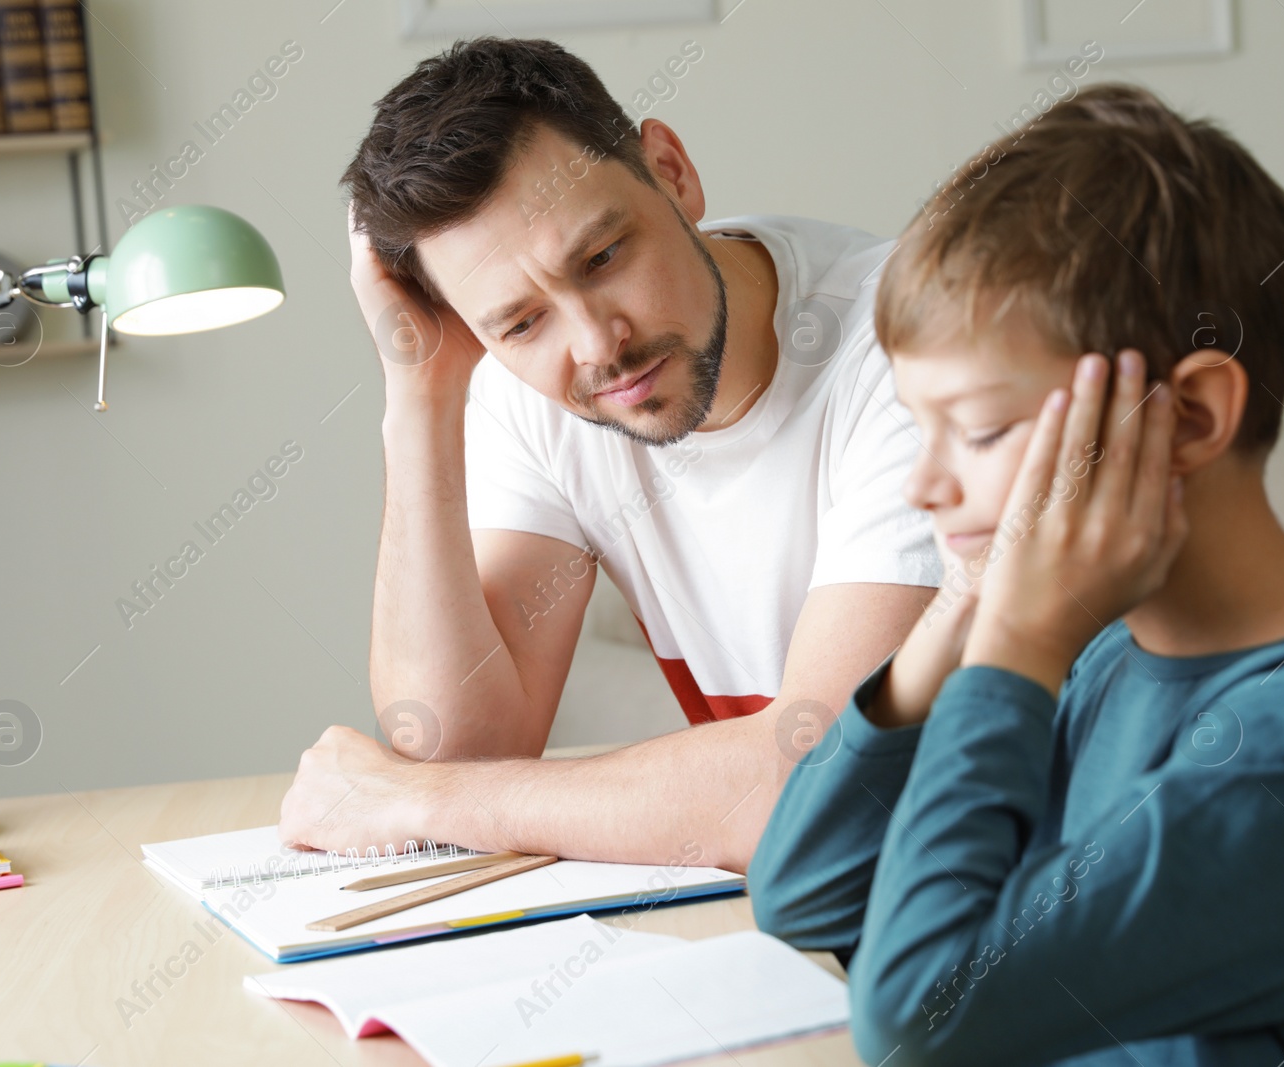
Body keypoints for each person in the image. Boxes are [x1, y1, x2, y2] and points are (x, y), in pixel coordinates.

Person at [748, 84, 1284, 1065]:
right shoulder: (1097, 656)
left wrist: (1014, 645)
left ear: (1187, 419)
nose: (922, 484)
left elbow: (917, 1016)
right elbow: (800, 889)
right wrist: (963, 620)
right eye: (913, 426)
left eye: (976, 430)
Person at [276, 37, 941, 871]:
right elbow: (460, 745)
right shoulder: (528, 398)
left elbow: (823, 786)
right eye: (518, 322)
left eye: (602, 257)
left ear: (672, 170)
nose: (597, 344)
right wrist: (421, 398)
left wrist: (417, 801)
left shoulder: (919, 346)